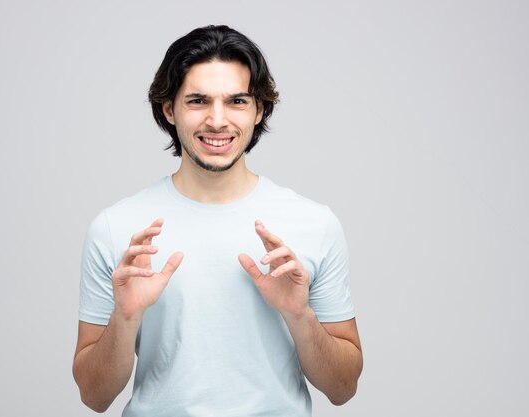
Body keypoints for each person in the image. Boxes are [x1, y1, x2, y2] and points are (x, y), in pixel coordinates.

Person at [72, 25, 363, 416]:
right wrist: (125, 318)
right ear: (169, 109)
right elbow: (94, 397)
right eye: (197, 101)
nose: (217, 120)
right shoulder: (117, 229)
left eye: (237, 101)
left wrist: (300, 315)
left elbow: (343, 388)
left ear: (259, 110)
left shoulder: (313, 223)